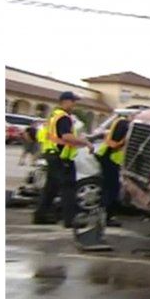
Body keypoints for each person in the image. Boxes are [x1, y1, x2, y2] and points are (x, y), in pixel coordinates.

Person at [33, 92, 94, 226]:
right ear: (65, 102)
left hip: (51, 154)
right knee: (69, 187)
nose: (74, 104)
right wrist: (85, 143)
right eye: (73, 101)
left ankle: (40, 216)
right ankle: (70, 220)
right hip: (61, 157)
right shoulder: (64, 118)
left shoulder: (54, 115)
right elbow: (66, 137)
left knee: (51, 187)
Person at [96, 113, 132, 227]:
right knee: (112, 188)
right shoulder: (124, 124)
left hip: (107, 156)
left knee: (108, 187)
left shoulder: (119, 121)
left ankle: (102, 215)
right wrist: (125, 141)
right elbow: (114, 144)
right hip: (110, 158)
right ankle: (107, 217)